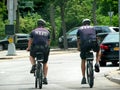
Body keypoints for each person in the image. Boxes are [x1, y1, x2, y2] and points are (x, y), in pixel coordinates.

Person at [76, 19, 101, 84]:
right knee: (99, 50)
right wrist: (97, 45)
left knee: (83, 60)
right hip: (93, 42)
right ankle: (97, 62)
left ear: (83, 23)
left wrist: (79, 48)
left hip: (84, 44)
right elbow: (97, 38)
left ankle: (84, 78)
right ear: (89, 23)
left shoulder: (79, 29)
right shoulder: (93, 28)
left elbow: (78, 40)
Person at [26, 19, 50, 84]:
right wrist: (47, 48)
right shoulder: (47, 32)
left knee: (31, 56)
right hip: (44, 48)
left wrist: (28, 48)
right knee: (45, 63)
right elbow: (48, 42)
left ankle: (34, 65)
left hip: (35, 48)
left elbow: (30, 41)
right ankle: (45, 78)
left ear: (37, 25)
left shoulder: (33, 31)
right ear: (44, 25)